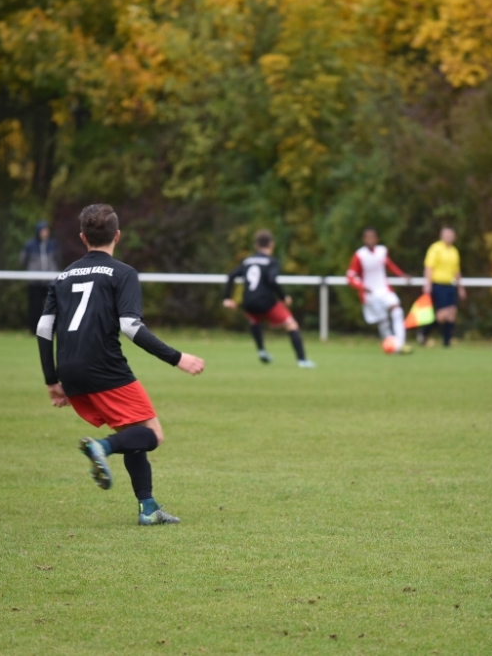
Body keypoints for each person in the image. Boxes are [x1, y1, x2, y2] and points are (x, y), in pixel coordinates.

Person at [36, 204, 205, 526]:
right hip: (105, 367)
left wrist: (51, 379)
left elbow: (44, 328)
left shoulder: (62, 276)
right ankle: (101, 448)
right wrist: (177, 358)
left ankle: (148, 507)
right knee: (151, 434)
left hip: (69, 368)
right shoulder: (123, 273)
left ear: (83, 237)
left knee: (132, 432)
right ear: (117, 236)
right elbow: (130, 327)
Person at [223, 230, 316, 368]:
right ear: (272, 244)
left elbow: (231, 276)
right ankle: (302, 360)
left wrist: (227, 298)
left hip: (248, 302)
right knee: (291, 324)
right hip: (267, 302)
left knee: (254, 320)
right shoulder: (271, 262)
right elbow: (272, 280)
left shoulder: (247, 261)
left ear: (256, 246)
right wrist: (284, 297)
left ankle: (261, 350)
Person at [346, 227, 413, 354]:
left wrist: (401, 275)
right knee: (383, 320)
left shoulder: (382, 251)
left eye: (372, 237)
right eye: (367, 238)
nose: (370, 240)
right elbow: (350, 276)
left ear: (377, 239)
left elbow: (389, 265)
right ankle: (390, 344)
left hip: (384, 289)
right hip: (370, 293)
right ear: (363, 239)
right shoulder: (359, 255)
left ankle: (400, 343)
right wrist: (362, 286)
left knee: (397, 311)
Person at [420, 227, 467, 347]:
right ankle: (423, 333)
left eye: (450, 235)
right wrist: (427, 284)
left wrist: (461, 287)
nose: (448, 237)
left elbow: (456, 271)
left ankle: (447, 342)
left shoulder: (454, 251)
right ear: (441, 236)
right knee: (442, 314)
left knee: (452, 313)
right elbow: (429, 267)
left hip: (450, 285)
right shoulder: (435, 248)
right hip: (438, 284)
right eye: (446, 235)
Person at [20, 220, 61, 334]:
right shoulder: (30, 245)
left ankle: (52, 329)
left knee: (51, 306)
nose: (45, 233)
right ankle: (34, 329)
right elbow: (22, 260)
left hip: (49, 281)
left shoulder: (52, 244)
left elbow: (58, 259)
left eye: (46, 230)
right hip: (35, 281)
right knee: (35, 307)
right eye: (43, 230)